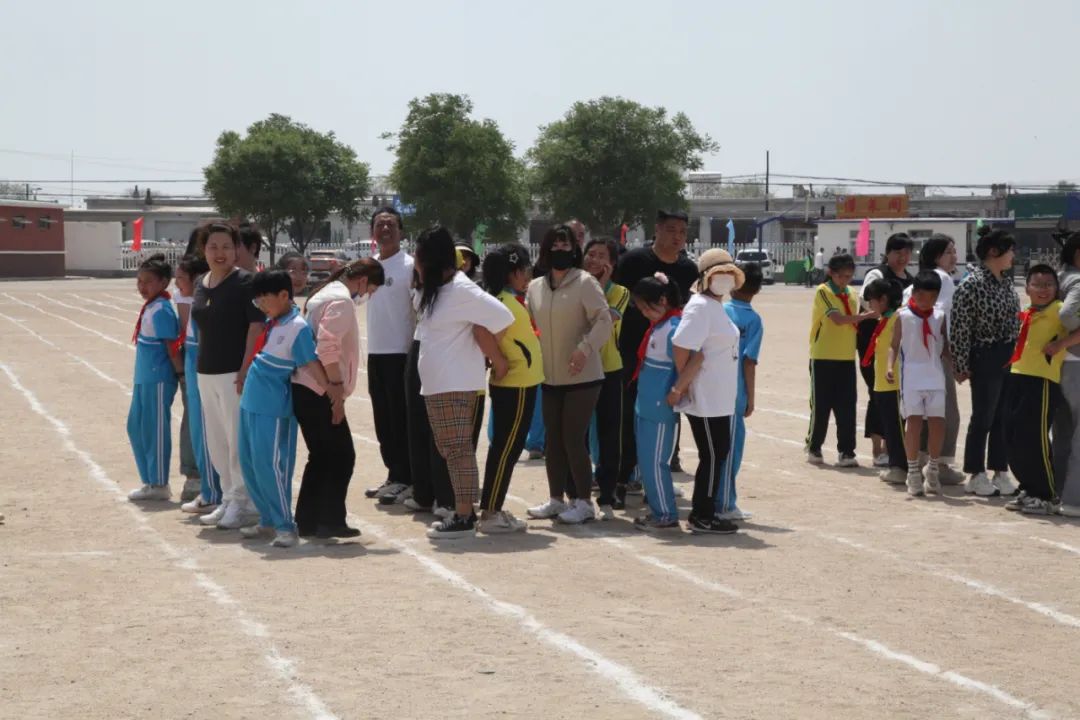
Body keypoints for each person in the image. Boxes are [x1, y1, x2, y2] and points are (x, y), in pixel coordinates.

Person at [415, 226, 513, 540]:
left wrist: (491, 354)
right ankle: (463, 512)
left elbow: (501, 317)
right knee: (451, 449)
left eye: (418, 255)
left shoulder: (460, 288)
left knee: (458, 450)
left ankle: (463, 515)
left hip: (455, 382)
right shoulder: (435, 290)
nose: (414, 262)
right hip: (440, 383)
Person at [236, 271, 332, 548]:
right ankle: (267, 519)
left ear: (283, 296)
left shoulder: (298, 327)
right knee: (250, 463)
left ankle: (285, 526)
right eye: (258, 301)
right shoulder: (273, 322)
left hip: (273, 408)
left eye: (264, 300)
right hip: (250, 404)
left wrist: (332, 394)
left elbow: (311, 364)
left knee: (271, 466)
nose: (262, 306)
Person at [526, 224, 614, 524]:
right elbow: (529, 326)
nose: (560, 251)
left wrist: (584, 349)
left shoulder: (585, 282)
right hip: (549, 377)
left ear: (574, 251)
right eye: (555, 245)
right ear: (545, 250)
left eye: (566, 246)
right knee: (553, 440)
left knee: (573, 438)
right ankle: (555, 499)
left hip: (583, 376)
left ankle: (583, 502)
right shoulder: (535, 287)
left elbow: (604, 320)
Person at [293, 258, 384, 539]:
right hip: (319, 387)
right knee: (341, 455)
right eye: (371, 289)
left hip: (306, 385)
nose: (367, 296)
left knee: (321, 456)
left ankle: (309, 520)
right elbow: (327, 345)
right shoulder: (341, 301)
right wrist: (335, 388)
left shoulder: (325, 292)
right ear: (362, 281)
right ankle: (329, 519)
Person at [614, 210, 698, 503]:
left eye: (683, 233)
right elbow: (617, 298)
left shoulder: (689, 269)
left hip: (670, 356)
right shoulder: (634, 261)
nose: (677, 237)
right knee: (629, 414)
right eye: (672, 230)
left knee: (667, 414)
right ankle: (624, 477)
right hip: (632, 350)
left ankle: (660, 472)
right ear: (657, 229)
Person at [191, 222, 266, 530]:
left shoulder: (246, 282)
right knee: (216, 440)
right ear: (203, 250)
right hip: (205, 372)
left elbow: (256, 326)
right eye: (213, 247)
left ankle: (244, 503)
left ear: (237, 249)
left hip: (234, 372)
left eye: (226, 246)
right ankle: (227, 499)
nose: (219, 253)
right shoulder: (201, 282)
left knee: (237, 441)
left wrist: (246, 367)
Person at [670, 248, 743, 534]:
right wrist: (684, 383)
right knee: (713, 454)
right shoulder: (700, 306)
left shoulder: (715, 306)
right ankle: (703, 514)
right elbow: (681, 345)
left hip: (720, 395)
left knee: (717, 452)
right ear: (705, 277)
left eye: (729, 273)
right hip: (706, 395)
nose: (724, 278)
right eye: (718, 273)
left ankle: (705, 510)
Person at [1003, 265, 1080, 515]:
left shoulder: (1059, 311)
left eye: (1048, 284)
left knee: (1035, 438)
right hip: (1017, 377)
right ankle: (1029, 488)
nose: (1043, 289)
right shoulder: (1027, 312)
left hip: (1042, 380)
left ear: (1057, 289)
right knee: (1014, 437)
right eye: (1037, 284)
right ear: (1027, 289)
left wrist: (1060, 344)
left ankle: (1046, 494)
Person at [950, 226, 1020, 497]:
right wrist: (960, 363)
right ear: (994, 252)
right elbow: (960, 327)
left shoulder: (1005, 281)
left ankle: (1000, 472)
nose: (1013, 254)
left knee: (1004, 416)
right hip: (985, 356)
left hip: (1008, 355)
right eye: (1010, 249)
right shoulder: (972, 284)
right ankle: (975, 473)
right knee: (983, 417)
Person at [477, 243, 542, 533]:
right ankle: (490, 512)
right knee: (506, 449)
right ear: (511, 273)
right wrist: (500, 362)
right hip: (514, 385)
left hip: (522, 384)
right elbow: (482, 333)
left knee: (508, 448)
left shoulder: (510, 298)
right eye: (523, 271)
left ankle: (493, 507)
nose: (527, 276)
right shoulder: (503, 301)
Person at [629, 274, 696, 531]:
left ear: (664, 300)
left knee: (656, 462)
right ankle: (659, 510)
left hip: (660, 409)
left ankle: (666, 514)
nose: (645, 313)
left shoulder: (674, 328)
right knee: (647, 461)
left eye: (649, 306)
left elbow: (688, 365)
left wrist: (677, 392)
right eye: (642, 308)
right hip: (646, 405)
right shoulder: (660, 326)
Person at [364, 207, 416, 504]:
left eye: (391, 224)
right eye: (379, 224)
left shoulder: (409, 266)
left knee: (400, 419)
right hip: (376, 353)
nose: (385, 229)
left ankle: (407, 477)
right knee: (382, 419)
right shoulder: (367, 266)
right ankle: (394, 474)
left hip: (401, 353)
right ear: (372, 232)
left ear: (401, 231)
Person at [903, 234, 964, 484]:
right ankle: (941, 464)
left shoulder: (916, 282)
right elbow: (943, 321)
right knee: (945, 413)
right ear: (936, 256)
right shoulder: (943, 279)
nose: (955, 256)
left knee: (916, 416)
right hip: (935, 356)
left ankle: (916, 463)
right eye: (949, 251)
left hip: (912, 356)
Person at [805, 254, 876, 466]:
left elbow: (869, 309)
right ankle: (814, 447)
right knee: (821, 405)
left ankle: (846, 451)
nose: (845, 280)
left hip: (846, 357)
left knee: (847, 406)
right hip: (823, 356)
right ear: (831, 274)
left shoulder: (852, 293)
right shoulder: (823, 291)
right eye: (841, 276)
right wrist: (864, 317)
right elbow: (836, 319)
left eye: (849, 276)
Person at [126, 254, 181, 501]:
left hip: (158, 379)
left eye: (147, 281)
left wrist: (180, 375)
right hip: (144, 378)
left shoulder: (162, 309)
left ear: (163, 282)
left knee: (155, 429)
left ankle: (159, 482)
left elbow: (172, 346)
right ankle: (149, 479)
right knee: (136, 427)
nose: (142, 286)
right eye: (139, 281)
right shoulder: (151, 306)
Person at [887, 271, 948, 496]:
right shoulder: (903, 316)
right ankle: (913, 471)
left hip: (935, 375)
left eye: (931, 297)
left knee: (937, 422)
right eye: (921, 295)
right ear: (913, 293)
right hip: (912, 375)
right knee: (913, 422)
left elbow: (946, 346)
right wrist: (889, 366)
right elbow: (893, 344)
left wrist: (960, 367)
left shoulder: (940, 316)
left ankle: (932, 467)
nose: (926, 301)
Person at [583, 238, 630, 516]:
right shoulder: (572, 287)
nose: (594, 260)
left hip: (609, 368)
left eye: (601, 255)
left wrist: (598, 286)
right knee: (578, 434)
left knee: (609, 432)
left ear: (611, 263)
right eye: (590, 254)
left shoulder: (620, 292)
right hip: (578, 368)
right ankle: (578, 492)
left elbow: (606, 318)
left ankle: (607, 494)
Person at [859, 234, 914, 467]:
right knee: (877, 393)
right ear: (887, 253)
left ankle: (892, 447)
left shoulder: (911, 279)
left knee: (896, 396)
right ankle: (877, 449)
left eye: (906, 253)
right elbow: (864, 300)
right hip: (873, 342)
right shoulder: (877, 274)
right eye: (897, 253)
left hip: (900, 345)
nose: (902, 258)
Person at [176, 254, 223, 514]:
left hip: (205, 367)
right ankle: (209, 490)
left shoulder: (208, 303)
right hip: (195, 366)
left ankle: (214, 492)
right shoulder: (194, 303)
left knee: (208, 432)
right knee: (199, 431)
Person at [720, 262, 765, 520]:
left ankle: (717, 497)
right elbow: (750, 361)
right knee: (732, 449)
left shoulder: (720, 310)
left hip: (714, 388)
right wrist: (751, 397)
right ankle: (725, 502)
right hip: (735, 392)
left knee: (715, 447)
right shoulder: (754, 320)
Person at [860, 278, 906, 485]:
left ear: (884, 299)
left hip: (893, 383)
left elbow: (894, 348)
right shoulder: (883, 321)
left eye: (872, 301)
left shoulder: (897, 319)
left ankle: (900, 467)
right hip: (881, 384)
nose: (870, 306)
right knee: (889, 425)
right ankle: (895, 464)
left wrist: (889, 369)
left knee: (895, 427)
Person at [1053, 231, 1080, 518]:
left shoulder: (1061, 277)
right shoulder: (1078, 282)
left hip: (1060, 363)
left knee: (1062, 432)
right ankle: (1074, 499)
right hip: (1075, 363)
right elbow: (1068, 316)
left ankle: (1059, 489)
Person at [173, 245, 202, 503]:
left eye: (180, 277)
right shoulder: (182, 299)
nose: (176, 282)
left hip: (208, 363)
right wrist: (182, 372)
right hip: (191, 363)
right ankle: (193, 476)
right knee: (192, 418)